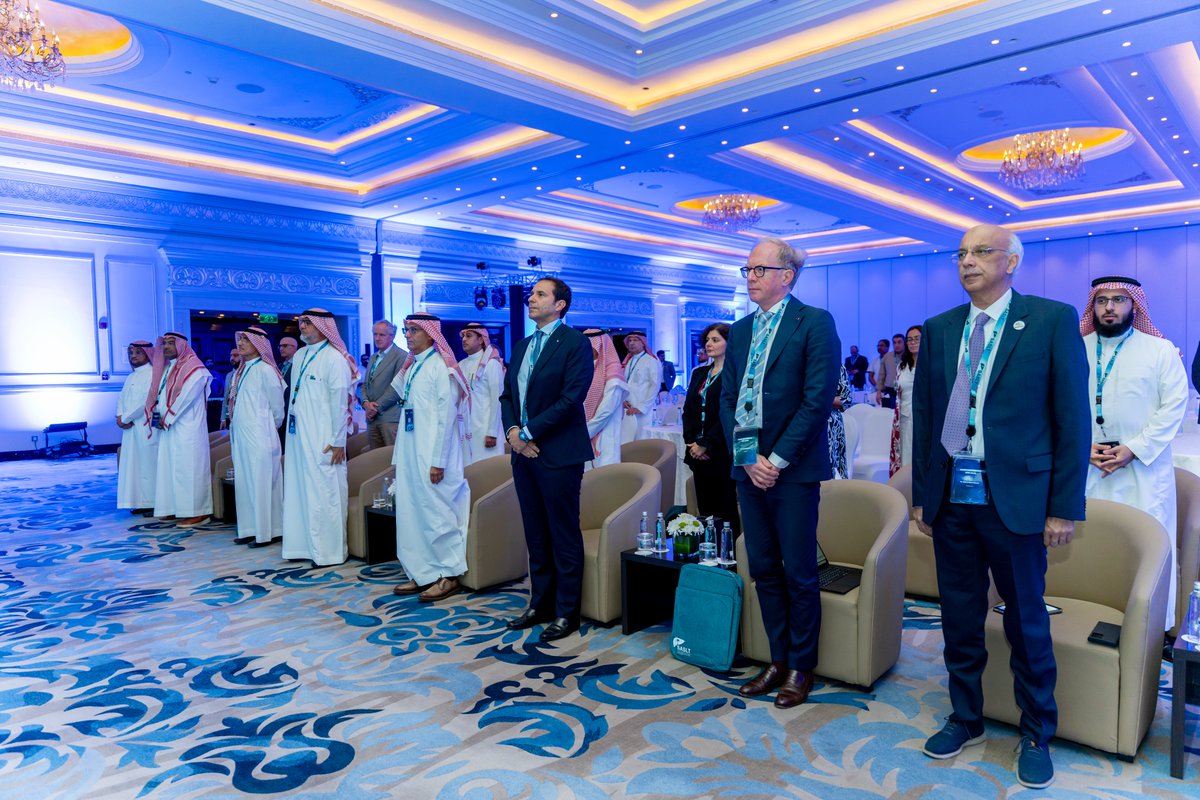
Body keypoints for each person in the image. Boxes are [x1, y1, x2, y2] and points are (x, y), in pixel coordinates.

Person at [913, 224, 1089, 789]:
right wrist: (922, 494)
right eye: (960, 253)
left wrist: (1063, 508)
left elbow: (1072, 420)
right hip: (952, 499)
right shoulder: (941, 329)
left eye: (981, 252)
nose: (967, 261)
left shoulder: (1050, 319)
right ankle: (966, 717)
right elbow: (926, 421)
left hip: (1017, 500)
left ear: (1011, 261)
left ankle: (1037, 730)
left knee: (1026, 621)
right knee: (960, 617)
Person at [719, 237, 839, 709]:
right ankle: (776, 657)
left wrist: (777, 459)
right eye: (746, 270)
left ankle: (800, 667)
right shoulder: (742, 329)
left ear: (786, 276)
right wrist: (748, 459)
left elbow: (816, 400)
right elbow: (729, 398)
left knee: (800, 573)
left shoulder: (813, 322)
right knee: (764, 569)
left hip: (791, 471)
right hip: (748, 470)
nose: (750, 277)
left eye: (759, 270)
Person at [1081, 276, 1188, 630]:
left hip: (1142, 471)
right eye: (1101, 301)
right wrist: (1082, 446)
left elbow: (1174, 407)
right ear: (1093, 306)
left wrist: (1132, 449)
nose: (1109, 307)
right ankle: (1090, 612)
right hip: (1089, 467)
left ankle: (1151, 627)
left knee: (1145, 549)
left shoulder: (1160, 350)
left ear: (1134, 306)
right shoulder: (1075, 349)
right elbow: (1057, 405)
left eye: (1118, 300)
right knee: (1091, 546)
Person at [499, 277, 594, 642]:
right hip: (523, 455)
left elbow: (571, 399)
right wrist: (512, 434)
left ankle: (567, 612)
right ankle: (540, 604)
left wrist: (528, 433)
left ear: (560, 305)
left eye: (540, 294)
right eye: (532, 294)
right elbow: (508, 397)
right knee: (535, 533)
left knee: (563, 533)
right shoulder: (523, 346)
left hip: (558, 453)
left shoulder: (575, 343)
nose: (531, 299)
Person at [390, 314, 471, 602]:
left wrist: (438, 460)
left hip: (436, 456)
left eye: (413, 330)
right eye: (406, 330)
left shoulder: (440, 367)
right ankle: (423, 572)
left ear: (430, 334)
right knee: (412, 511)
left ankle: (448, 574)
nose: (408, 335)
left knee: (437, 512)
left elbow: (447, 418)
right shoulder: (412, 367)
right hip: (412, 452)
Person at [281, 309, 357, 567]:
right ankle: (301, 546)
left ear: (323, 326)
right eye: (301, 322)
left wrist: (338, 441)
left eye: (308, 323)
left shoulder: (334, 358)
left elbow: (340, 403)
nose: (302, 327)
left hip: (324, 439)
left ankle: (328, 552)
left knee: (324, 493)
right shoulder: (300, 355)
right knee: (298, 490)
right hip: (297, 436)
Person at [148, 332, 213, 527]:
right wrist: (157, 414)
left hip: (187, 429)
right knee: (170, 468)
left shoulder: (196, 369)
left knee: (188, 470)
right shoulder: (170, 368)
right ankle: (174, 508)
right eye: (165, 343)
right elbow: (162, 394)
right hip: (170, 427)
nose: (166, 347)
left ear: (182, 345)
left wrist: (166, 418)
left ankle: (198, 511)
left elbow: (185, 398)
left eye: (170, 343)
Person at [228, 326, 285, 548]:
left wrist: (265, 427)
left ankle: (267, 533)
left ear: (258, 344)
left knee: (262, 483)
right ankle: (250, 529)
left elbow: (278, 408)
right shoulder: (240, 371)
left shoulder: (266, 370)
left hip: (261, 435)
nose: (240, 343)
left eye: (246, 340)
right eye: (239, 339)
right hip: (241, 435)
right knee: (245, 483)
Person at [683, 322, 740, 535]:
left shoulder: (736, 374)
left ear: (729, 342)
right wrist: (691, 442)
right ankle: (709, 557)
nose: (708, 344)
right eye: (707, 340)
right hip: (697, 451)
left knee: (725, 508)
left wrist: (706, 444)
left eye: (715, 340)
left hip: (721, 450)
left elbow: (731, 413)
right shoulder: (699, 373)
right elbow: (688, 410)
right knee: (705, 508)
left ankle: (729, 557)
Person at [115, 340, 159, 514]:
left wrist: (126, 417)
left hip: (145, 426)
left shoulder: (152, 374)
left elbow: (146, 401)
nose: (133, 356)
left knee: (148, 464)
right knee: (134, 465)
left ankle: (153, 502)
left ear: (147, 354)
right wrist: (119, 417)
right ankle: (141, 501)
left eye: (137, 352)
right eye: (131, 353)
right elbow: (121, 398)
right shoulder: (131, 376)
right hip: (130, 428)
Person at [458, 322, 504, 465]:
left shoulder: (491, 364)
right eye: (463, 336)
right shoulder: (460, 365)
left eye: (469, 336)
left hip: (485, 429)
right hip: (466, 428)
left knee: (487, 470)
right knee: (468, 471)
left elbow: (497, 399)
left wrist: (492, 432)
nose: (464, 339)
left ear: (481, 339)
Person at [358, 320, 407, 450]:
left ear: (392, 336)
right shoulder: (373, 357)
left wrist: (375, 408)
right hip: (372, 419)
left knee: (392, 462)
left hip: (390, 419)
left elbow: (397, 388)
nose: (377, 338)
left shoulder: (402, 356)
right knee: (376, 462)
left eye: (382, 335)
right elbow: (364, 386)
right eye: (375, 334)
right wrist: (365, 403)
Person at [584, 329, 629, 469]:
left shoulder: (613, 372)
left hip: (604, 432)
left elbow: (606, 411)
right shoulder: (584, 368)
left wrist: (584, 432)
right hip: (583, 433)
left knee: (604, 479)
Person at [889, 325, 922, 477]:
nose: (913, 342)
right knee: (904, 457)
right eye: (909, 339)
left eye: (917, 339)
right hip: (903, 417)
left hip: (922, 418)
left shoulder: (930, 364)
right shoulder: (902, 366)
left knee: (919, 457)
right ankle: (905, 494)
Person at [620, 332, 662, 442]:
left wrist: (640, 407)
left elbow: (655, 386)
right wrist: (622, 400)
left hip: (643, 411)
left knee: (641, 441)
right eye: (630, 340)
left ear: (643, 343)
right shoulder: (628, 361)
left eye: (635, 340)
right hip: (627, 408)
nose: (632, 343)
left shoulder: (651, 360)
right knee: (627, 441)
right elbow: (624, 384)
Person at [827, 365, 853, 480]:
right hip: (800, 421)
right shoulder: (798, 360)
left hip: (830, 424)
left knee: (830, 470)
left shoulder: (837, 365)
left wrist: (820, 397)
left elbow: (846, 400)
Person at [278, 336, 299, 449]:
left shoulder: (299, 366)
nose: (282, 348)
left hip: (291, 412)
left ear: (295, 348)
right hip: (279, 412)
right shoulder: (280, 366)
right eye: (280, 346)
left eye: (285, 346)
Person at [219, 347, 242, 429]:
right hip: (229, 416)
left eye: (235, 355)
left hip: (242, 416)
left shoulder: (247, 374)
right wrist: (223, 418)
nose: (232, 358)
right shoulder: (229, 375)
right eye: (231, 356)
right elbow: (226, 398)